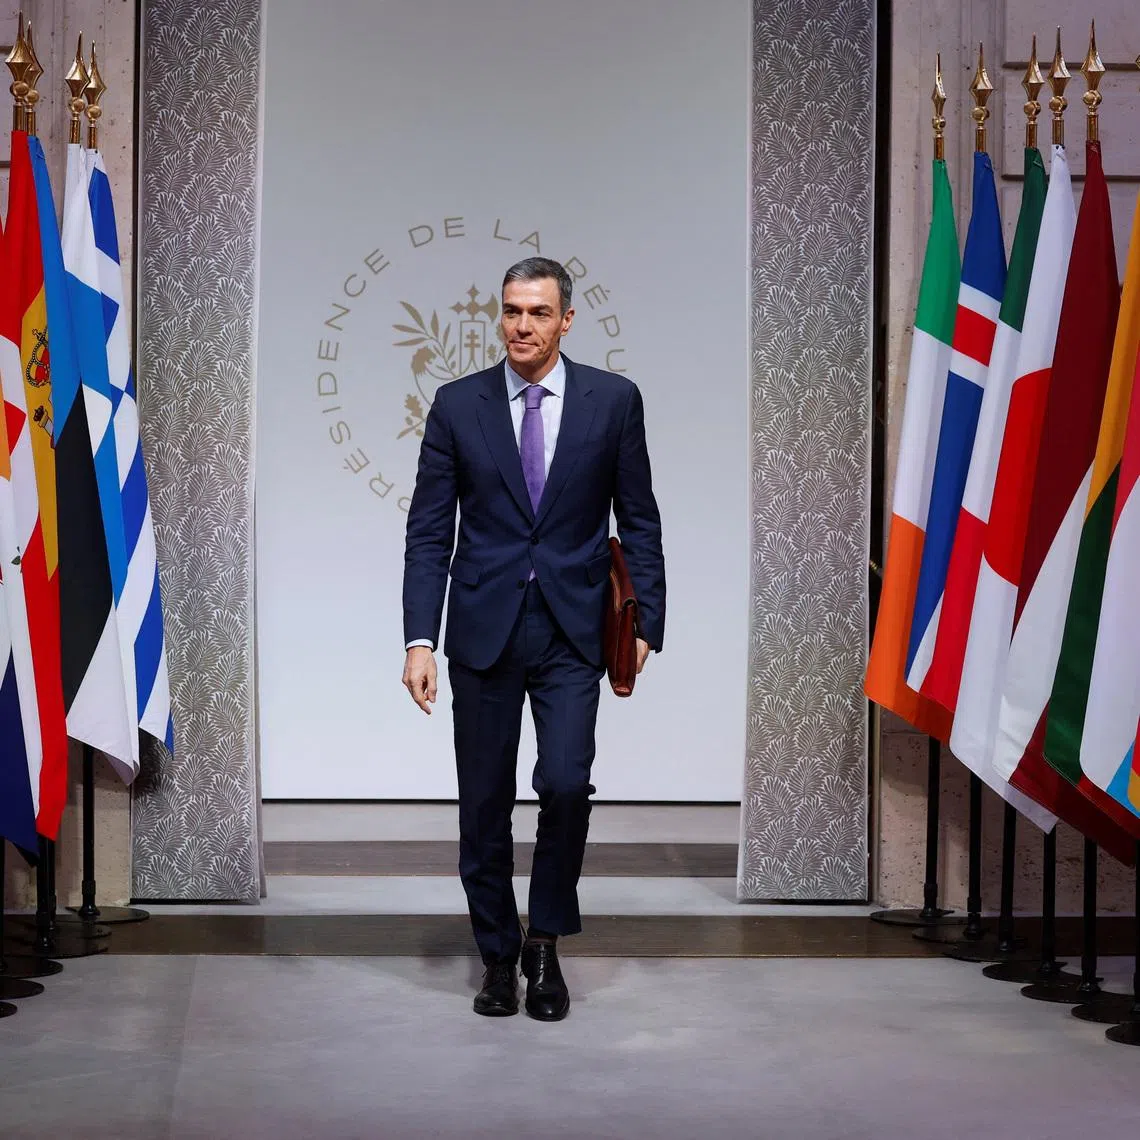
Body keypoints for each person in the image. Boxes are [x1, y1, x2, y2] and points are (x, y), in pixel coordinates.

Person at [401, 256, 665, 1020]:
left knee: (565, 783)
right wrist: (419, 640)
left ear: (566, 320)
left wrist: (646, 619)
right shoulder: (459, 405)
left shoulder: (613, 401)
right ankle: (497, 955)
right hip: (482, 630)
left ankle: (543, 943)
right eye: (513, 311)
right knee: (484, 803)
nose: (522, 326)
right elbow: (429, 532)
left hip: (572, 629)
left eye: (539, 312)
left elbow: (639, 517)